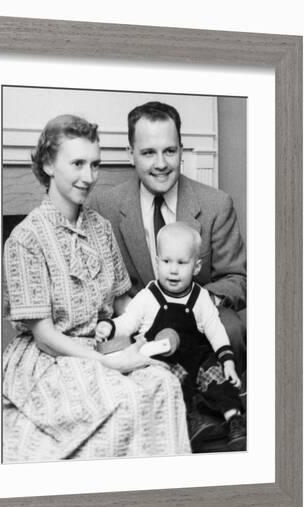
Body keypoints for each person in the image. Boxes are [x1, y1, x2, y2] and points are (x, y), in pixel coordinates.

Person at [3, 114, 191, 462]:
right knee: (122, 399)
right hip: (52, 358)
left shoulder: (101, 228)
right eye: (77, 164)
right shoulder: (25, 239)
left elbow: (122, 302)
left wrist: (151, 331)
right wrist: (112, 364)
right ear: (48, 164)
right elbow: (44, 336)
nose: (89, 177)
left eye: (95, 164)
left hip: (105, 343)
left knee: (163, 384)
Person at [87, 101, 246, 378]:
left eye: (170, 151)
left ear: (181, 151)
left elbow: (237, 279)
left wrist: (195, 302)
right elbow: (96, 279)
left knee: (231, 327)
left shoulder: (217, 204)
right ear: (130, 154)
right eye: (148, 152)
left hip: (197, 319)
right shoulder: (104, 204)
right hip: (137, 317)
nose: (161, 164)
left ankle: (217, 408)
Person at [96, 222, 246, 451]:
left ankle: (234, 420)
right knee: (175, 386)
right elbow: (128, 321)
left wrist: (227, 361)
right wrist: (110, 327)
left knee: (219, 382)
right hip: (164, 362)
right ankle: (190, 422)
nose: (173, 270)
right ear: (157, 263)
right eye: (166, 262)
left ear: (196, 267)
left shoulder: (200, 297)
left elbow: (215, 330)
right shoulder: (149, 296)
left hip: (198, 357)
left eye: (181, 263)